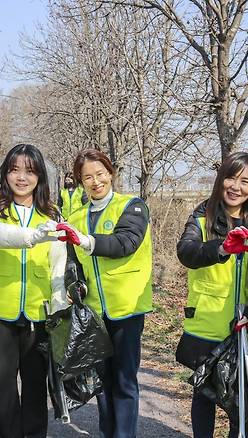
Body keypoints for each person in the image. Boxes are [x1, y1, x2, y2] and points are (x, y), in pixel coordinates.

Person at [0, 144, 66, 438]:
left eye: (29, 170)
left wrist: (60, 308)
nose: (21, 177)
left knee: (36, 386)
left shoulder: (51, 213)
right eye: (14, 170)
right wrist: (30, 236)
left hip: (39, 313)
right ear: (5, 173)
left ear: (40, 175)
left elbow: (58, 265)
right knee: (3, 388)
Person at [57, 149, 152, 438]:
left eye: (100, 174)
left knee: (124, 380)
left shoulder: (132, 206)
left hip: (126, 309)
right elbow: (71, 261)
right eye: (88, 177)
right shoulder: (76, 216)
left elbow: (126, 242)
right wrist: (74, 287)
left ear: (110, 173)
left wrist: (88, 241)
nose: (96, 181)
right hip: (93, 312)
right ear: (80, 181)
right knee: (102, 381)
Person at [175, 152, 248, 438]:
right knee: (204, 394)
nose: (235, 187)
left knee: (240, 397)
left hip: (247, 326)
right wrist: (222, 248)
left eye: (245, 181)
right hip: (206, 321)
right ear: (220, 179)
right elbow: (186, 252)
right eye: (230, 177)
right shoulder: (202, 215)